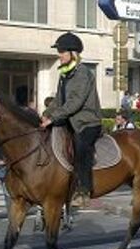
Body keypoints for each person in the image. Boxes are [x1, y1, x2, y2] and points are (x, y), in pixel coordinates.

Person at [40, 32, 103, 207]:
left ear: (72, 53)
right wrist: (46, 114)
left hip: (87, 122)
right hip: (70, 121)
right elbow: (59, 100)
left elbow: (75, 103)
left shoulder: (83, 73)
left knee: (80, 147)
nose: (59, 55)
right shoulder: (64, 74)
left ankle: (83, 190)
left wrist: (53, 117)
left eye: (61, 51)